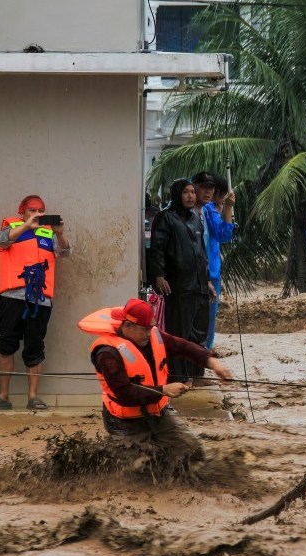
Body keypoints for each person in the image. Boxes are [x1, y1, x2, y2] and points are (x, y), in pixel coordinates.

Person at [78, 298, 233, 475]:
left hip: (158, 413)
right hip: (124, 422)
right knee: (141, 470)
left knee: (193, 452)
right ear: (128, 326)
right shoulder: (107, 353)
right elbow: (125, 394)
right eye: (145, 329)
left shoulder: (152, 336)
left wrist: (212, 362)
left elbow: (182, 347)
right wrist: (164, 390)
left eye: (151, 327)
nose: (149, 333)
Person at [0, 195, 72, 411]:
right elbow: (2, 241)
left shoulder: (48, 232)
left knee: (35, 347)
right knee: (7, 345)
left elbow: (65, 252)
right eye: (32, 210)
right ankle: (3, 397)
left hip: (40, 300)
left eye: (41, 210)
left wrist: (60, 233)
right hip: (12, 297)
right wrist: (26, 226)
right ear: (22, 212)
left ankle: (33, 397)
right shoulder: (11, 228)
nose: (37, 214)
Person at [148, 179, 211, 381]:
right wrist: (159, 275)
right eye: (186, 192)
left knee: (199, 334)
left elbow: (201, 252)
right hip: (179, 286)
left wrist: (208, 281)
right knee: (179, 334)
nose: (191, 196)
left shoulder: (196, 218)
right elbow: (157, 249)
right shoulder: (165, 217)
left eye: (193, 192)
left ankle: (196, 375)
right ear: (177, 194)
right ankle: (178, 377)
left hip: (199, 285)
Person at [191, 172, 236, 349]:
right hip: (208, 272)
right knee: (207, 320)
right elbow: (224, 234)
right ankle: (204, 352)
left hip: (210, 271)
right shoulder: (209, 209)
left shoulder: (206, 210)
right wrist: (228, 209)